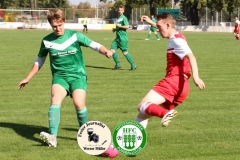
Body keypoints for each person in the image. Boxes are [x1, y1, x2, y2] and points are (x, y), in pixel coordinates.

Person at [17, 9, 113, 147]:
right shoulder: (46, 41)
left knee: (79, 104)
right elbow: (39, 60)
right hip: (60, 77)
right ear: (51, 25)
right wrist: (28, 78)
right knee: (55, 100)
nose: (57, 29)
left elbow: (94, 45)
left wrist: (106, 52)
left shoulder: (74, 36)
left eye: (59, 25)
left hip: (77, 76)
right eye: (54, 26)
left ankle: (86, 134)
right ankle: (53, 137)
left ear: (64, 22)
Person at [135, 13, 205, 130]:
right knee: (143, 115)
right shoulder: (178, 36)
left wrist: (196, 77)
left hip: (174, 81)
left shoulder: (177, 41)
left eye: (159, 26)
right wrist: (151, 22)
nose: (157, 29)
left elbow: (192, 57)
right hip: (182, 87)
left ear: (167, 25)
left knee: (142, 105)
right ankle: (132, 146)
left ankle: (165, 114)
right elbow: (164, 27)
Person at [111, 5, 137, 70]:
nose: (119, 11)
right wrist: (115, 29)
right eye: (119, 10)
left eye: (121, 10)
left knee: (125, 52)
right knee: (112, 50)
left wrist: (119, 26)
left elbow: (127, 26)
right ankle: (118, 64)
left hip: (123, 38)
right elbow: (119, 26)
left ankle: (133, 65)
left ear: (123, 11)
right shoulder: (118, 17)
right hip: (117, 38)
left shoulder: (124, 18)